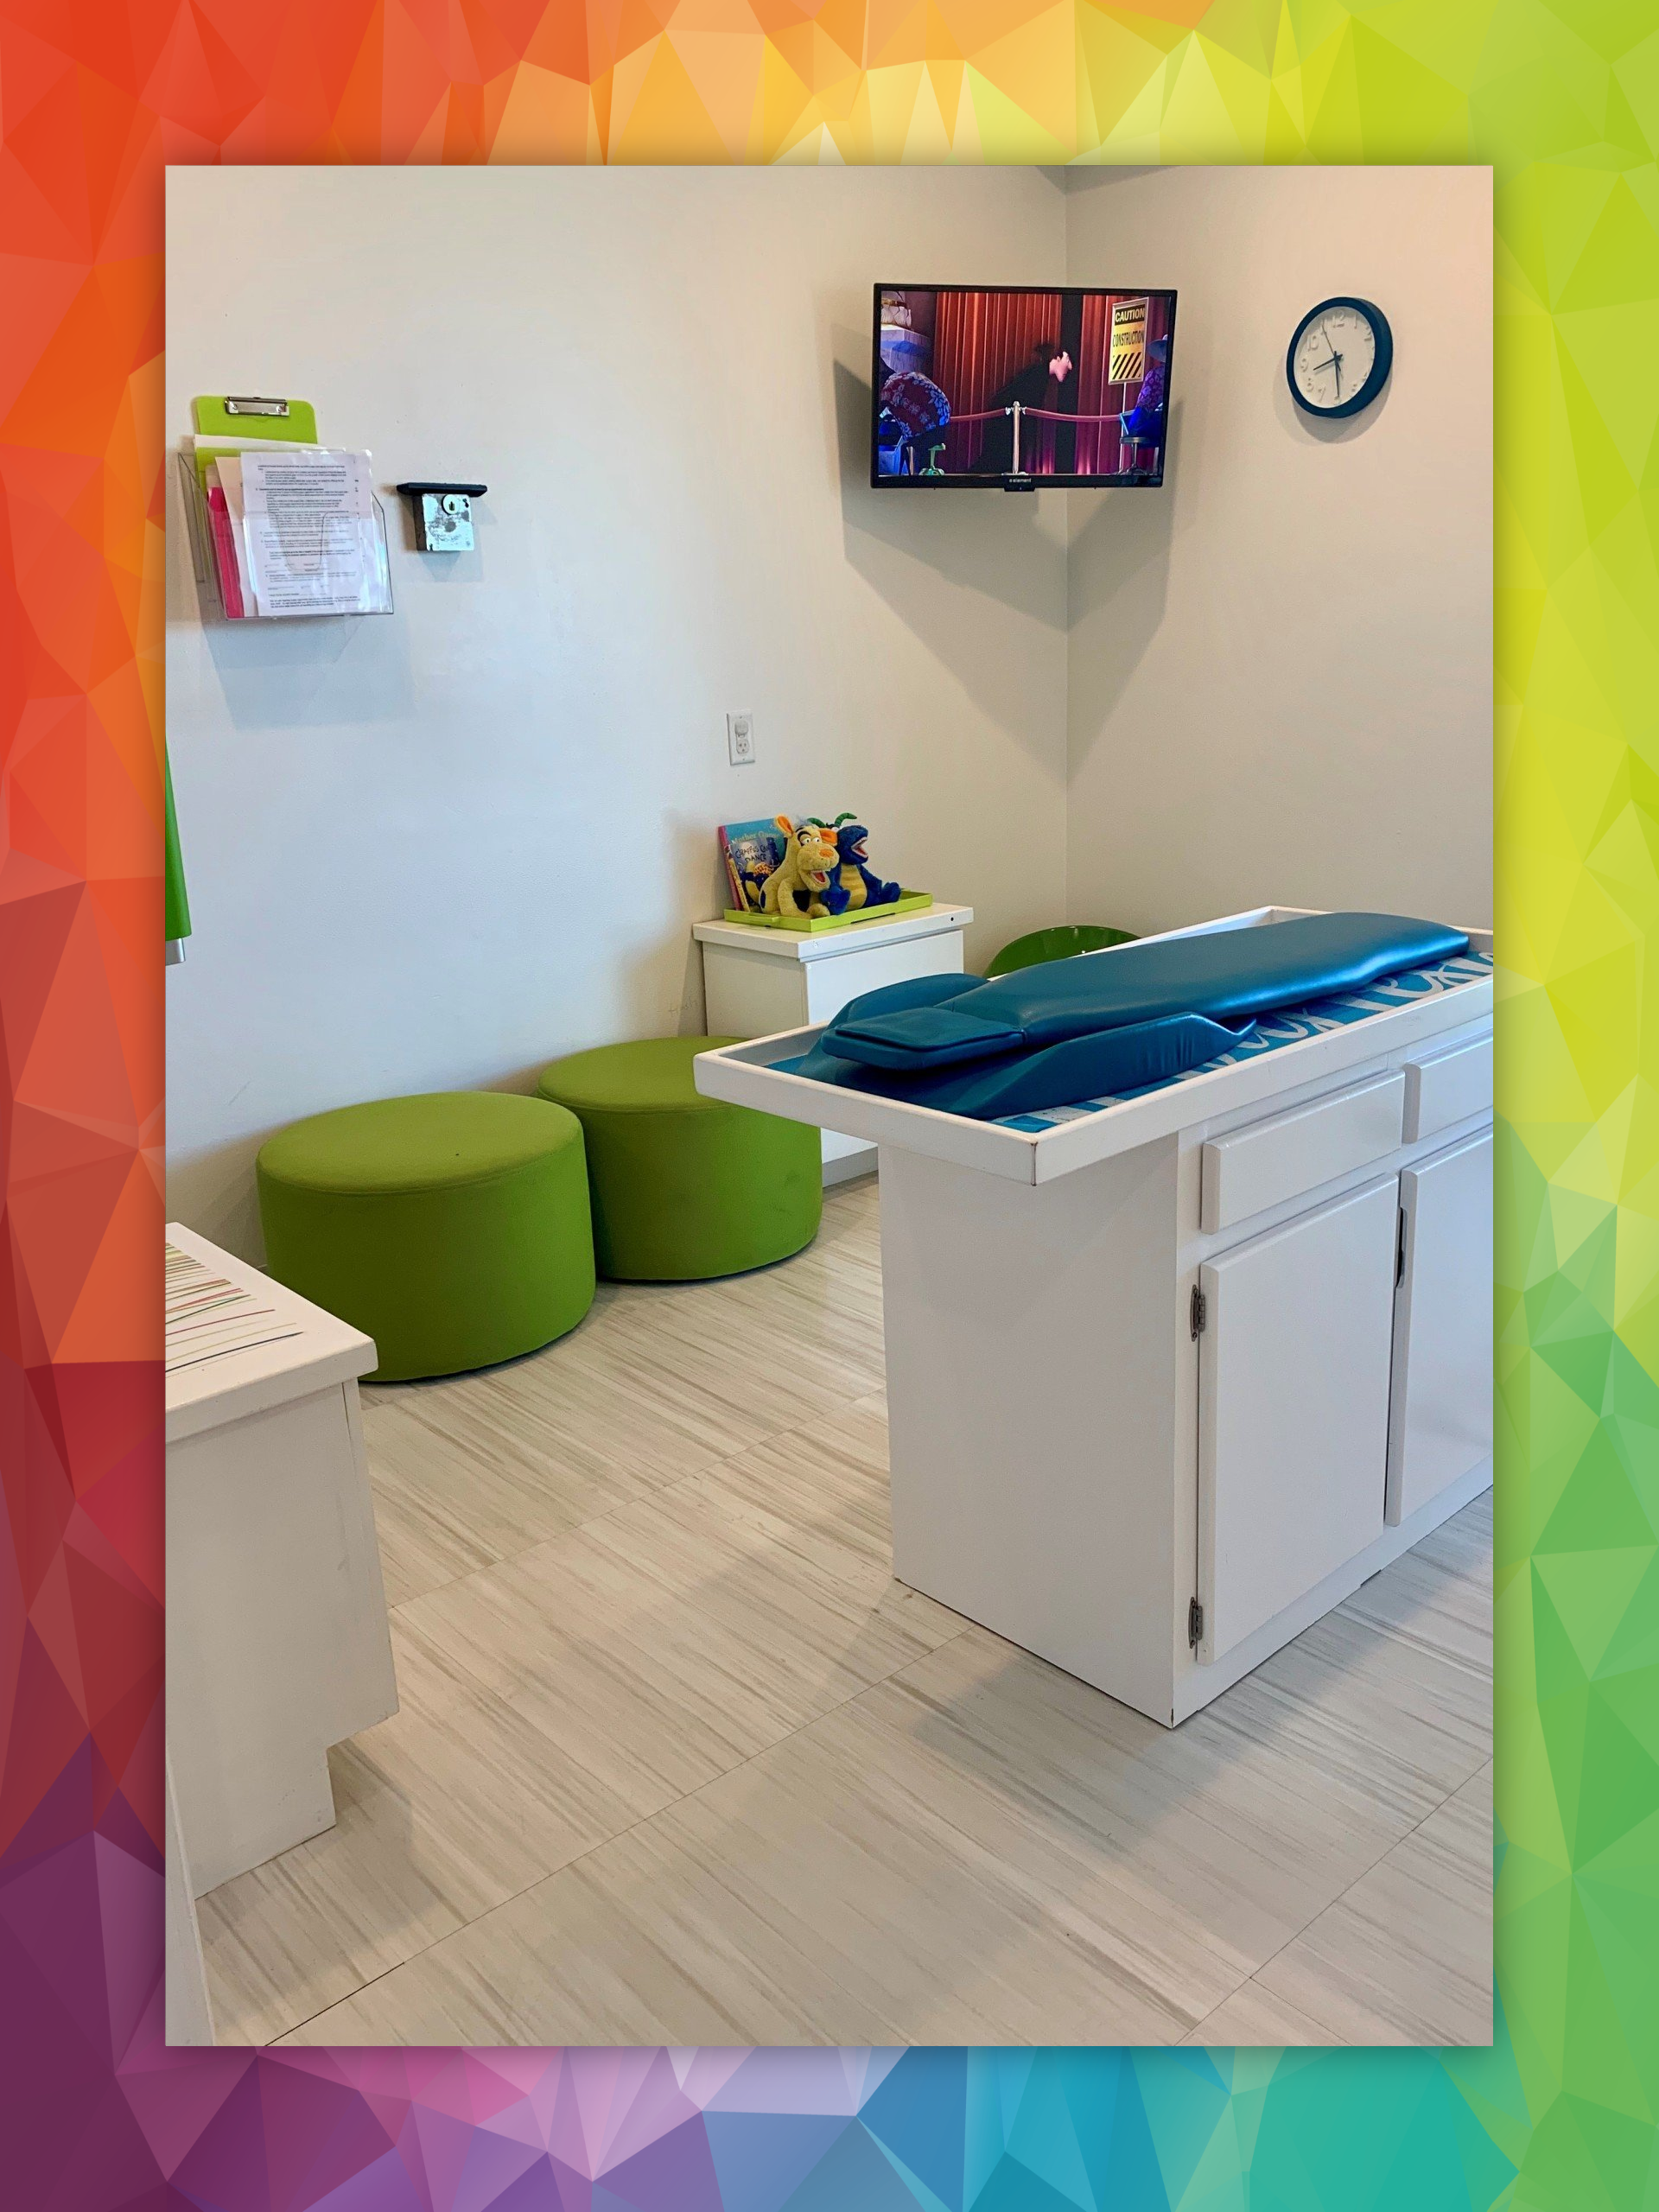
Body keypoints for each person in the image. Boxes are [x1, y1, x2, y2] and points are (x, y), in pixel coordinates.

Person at [969, 340, 1072, 474]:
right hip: (1005, 420)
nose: (1069, 366)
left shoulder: (1039, 373)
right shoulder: (1038, 374)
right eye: (1067, 359)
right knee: (998, 457)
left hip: (1007, 419)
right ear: (1057, 358)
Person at [1119, 332, 1169, 453]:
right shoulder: (1180, 375)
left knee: (1137, 429)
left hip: (1152, 420)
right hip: (1163, 422)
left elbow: (1143, 404)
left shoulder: (1155, 374)